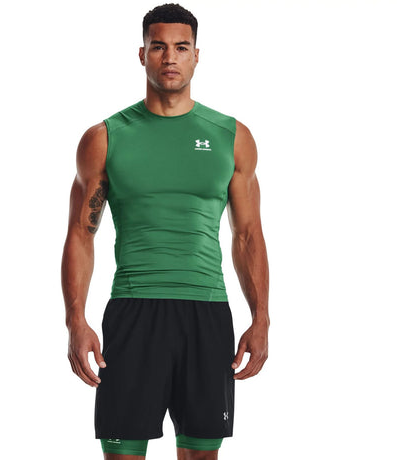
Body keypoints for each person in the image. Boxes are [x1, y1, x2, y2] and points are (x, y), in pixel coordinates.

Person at [61, 3, 270, 459]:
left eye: (181, 47)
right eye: (158, 46)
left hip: (207, 313)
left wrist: (261, 319)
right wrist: (75, 320)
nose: (170, 57)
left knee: (201, 454)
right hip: (134, 312)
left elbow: (248, 235)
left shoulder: (232, 136)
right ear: (142, 54)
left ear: (197, 55)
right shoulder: (105, 138)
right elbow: (80, 235)